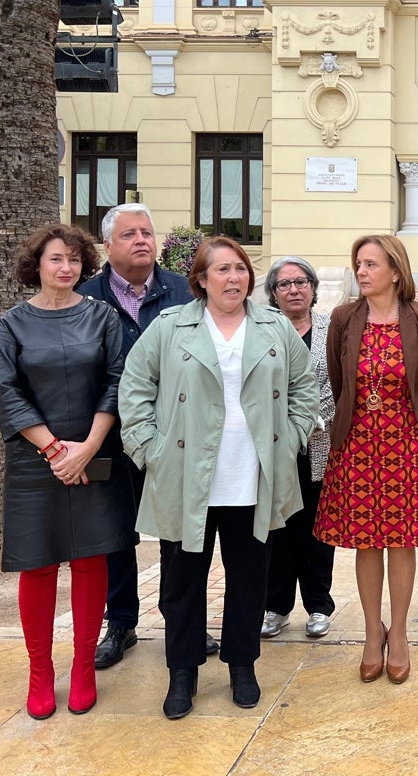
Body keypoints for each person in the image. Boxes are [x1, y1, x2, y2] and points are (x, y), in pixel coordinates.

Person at [120, 236, 318, 719]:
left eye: (241, 270)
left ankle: (242, 664)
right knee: (182, 582)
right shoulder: (171, 327)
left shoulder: (273, 326)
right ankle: (182, 672)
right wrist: (151, 451)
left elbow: (304, 386)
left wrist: (290, 439)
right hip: (186, 476)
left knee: (250, 578)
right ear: (201, 280)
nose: (234, 279)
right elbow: (135, 387)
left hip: (253, 476)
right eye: (223, 270)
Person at [0, 223, 135, 719]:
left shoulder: (102, 317)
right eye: (57, 259)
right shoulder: (11, 324)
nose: (66, 267)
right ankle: (39, 671)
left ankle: (82, 668)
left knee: (91, 560)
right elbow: (9, 393)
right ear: (38, 265)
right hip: (36, 462)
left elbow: (117, 381)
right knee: (38, 564)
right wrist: (56, 451)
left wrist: (88, 446)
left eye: (75, 260)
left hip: (94, 454)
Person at [76, 202, 217, 669]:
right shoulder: (87, 298)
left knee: (180, 535)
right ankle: (121, 623)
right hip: (110, 437)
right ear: (107, 245)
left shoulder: (184, 292)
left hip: (179, 437)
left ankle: (186, 623)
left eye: (147, 232)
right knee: (117, 534)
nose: (142, 240)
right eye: (130, 234)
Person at [314, 235, 418, 685]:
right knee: (365, 542)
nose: (362, 272)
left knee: (402, 540)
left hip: (407, 446)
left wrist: (411, 422)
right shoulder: (343, 317)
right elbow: (337, 379)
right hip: (357, 445)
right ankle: (374, 633)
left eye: (371, 264)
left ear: (395, 270)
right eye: (358, 264)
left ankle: (402, 632)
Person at [260, 257, 338, 640]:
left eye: (301, 282)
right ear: (273, 293)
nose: (294, 289)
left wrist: (312, 419)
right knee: (278, 529)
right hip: (274, 445)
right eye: (284, 284)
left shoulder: (331, 328)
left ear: (313, 287)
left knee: (317, 530)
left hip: (321, 445)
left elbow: (339, 383)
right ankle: (275, 607)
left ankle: (319, 606)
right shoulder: (262, 331)